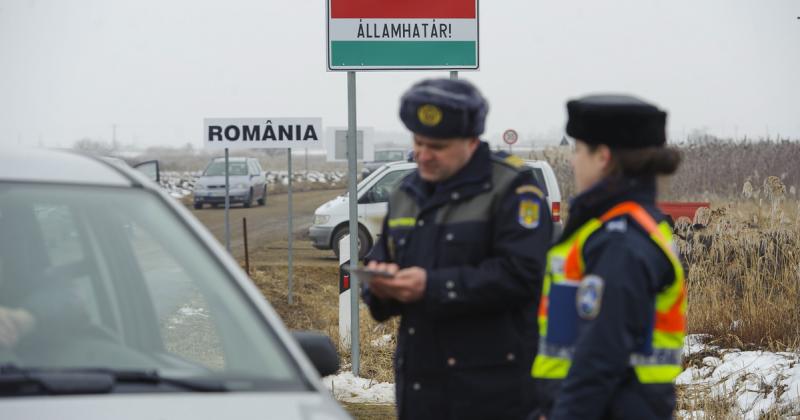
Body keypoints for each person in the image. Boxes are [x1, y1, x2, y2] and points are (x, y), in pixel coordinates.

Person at [361, 78, 552, 420]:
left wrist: (431, 286)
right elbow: (382, 257)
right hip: (420, 392)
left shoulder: (512, 189)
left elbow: (523, 276)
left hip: (493, 396)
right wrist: (380, 285)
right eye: (418, 142)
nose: (422, 154)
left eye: (436, 145)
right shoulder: (407, 193)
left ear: (471, 142)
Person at [530, 95, 686, 419]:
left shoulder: (620, 240)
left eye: (577, 150)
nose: (573, 162)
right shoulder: (616, 226)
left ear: (602, 156)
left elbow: (600, 356)